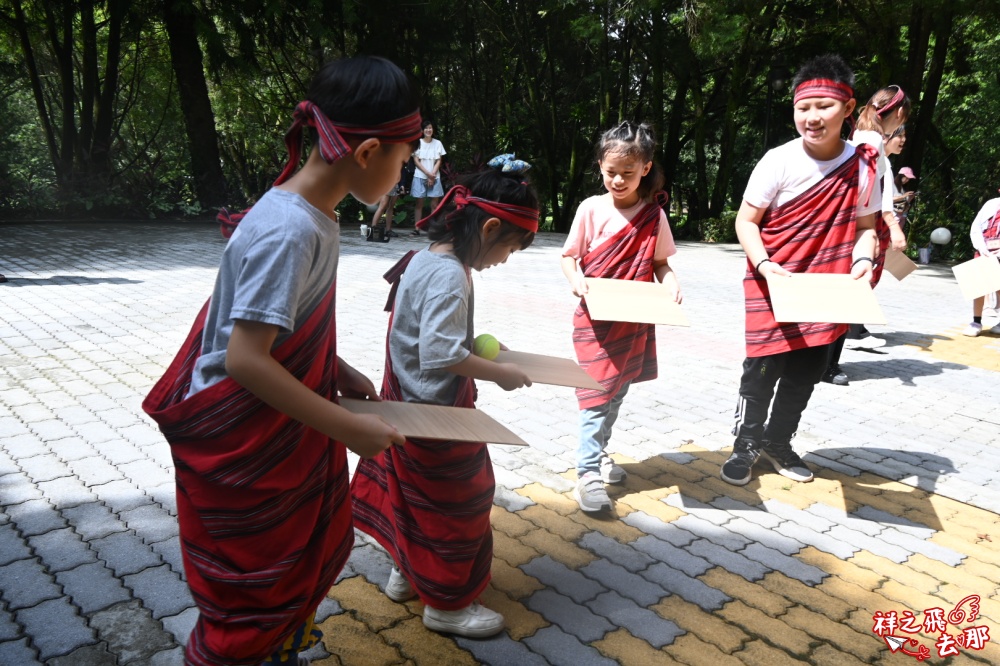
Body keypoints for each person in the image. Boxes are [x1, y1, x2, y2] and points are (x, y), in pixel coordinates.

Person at [141, 56, 419, 666]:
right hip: (245, 436)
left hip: (283, 420)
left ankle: (283, 641)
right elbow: (245, 360)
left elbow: (275, 326)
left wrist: (336, 367)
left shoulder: (312, 213)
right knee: (254, 586)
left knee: (306, 552)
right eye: (403, 161)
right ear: (367, 152)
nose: (402, 178)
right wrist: (346, 427)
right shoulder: (291, 229)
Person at [351, 157, 537, 639]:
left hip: (404, 404)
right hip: (435, 416)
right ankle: (447, 606)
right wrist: (498, 372)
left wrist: (475, 351)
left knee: (412, 498)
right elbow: (438, 354)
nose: (505, 260)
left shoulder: (423, 258)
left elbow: (421, 337)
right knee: (463, 501)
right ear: (490, 227)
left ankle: (407, 574)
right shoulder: (452, 275)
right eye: (510, 249)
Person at [720, 54, 880, 486]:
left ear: (847, 109)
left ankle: (778, 442)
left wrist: (863, 260)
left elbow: (867, 228)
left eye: (823, 107)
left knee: (805, 374)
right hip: (773, 285)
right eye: (803, 108)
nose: (812, 117)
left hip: (827, 289)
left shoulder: (864, 165)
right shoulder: (778, 160)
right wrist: (767, 265)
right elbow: (746, 221)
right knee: (761, 373)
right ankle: (746, 443)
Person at [560, 121, 681, 513]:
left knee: (616, 394)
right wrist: (577, 281)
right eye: (610, 172)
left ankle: (600, 452)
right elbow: (568, 257)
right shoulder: (590, 209)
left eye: (628, 173)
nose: (618, 180)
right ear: (599, 165)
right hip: (595, 322)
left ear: (645, 168)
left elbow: (661, 263)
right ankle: (588, 473)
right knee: (596, 395)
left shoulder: (654, 216)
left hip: (633, 323)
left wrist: (671, 283)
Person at [823, 84, 910, 385]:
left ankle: (821, 362)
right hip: (855, 226)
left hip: (846, 224)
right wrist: (888, 226)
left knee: (842, 295)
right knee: (848, 295)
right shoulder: (872, 140)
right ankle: (827, 365)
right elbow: (873, 191)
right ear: (899, 113)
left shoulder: (861, 135)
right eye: (904, 122)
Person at [962, 193, 1000, 337]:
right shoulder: (991, 204)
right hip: (985, 250)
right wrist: (981, 248)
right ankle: (976, 321)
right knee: (978, 287)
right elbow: (976, 227)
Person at [410, 120, 446, 236]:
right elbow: (416, 161)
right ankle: (417, 228)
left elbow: (439, 160)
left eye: (430, 128)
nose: (428, 130)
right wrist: (428, 174)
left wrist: (433, 175)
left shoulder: (438, 143)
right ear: (422, 130)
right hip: (420, 176)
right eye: (426, 128)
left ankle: (432, 228)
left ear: (433, 129)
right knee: (419, 203)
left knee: (434, 204)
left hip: (435, 176)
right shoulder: (418, 143)